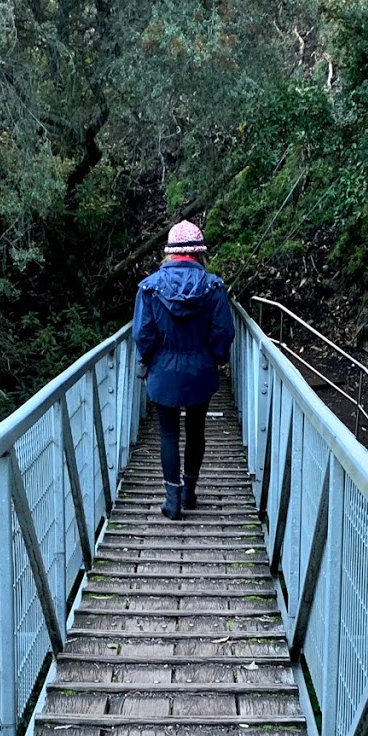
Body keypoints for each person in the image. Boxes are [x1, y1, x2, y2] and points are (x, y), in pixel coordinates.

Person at [131, 220, 235, 519]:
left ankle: (172, 501)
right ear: (199, 254)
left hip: (164, 370)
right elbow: (223, 331)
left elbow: (143, 334)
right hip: (200, 370)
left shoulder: (149, 289)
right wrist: (216, 357)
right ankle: (190, 493)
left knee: (168, 433)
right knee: (196, 430)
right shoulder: (214, 287)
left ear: (169, 254)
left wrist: (149, 360)